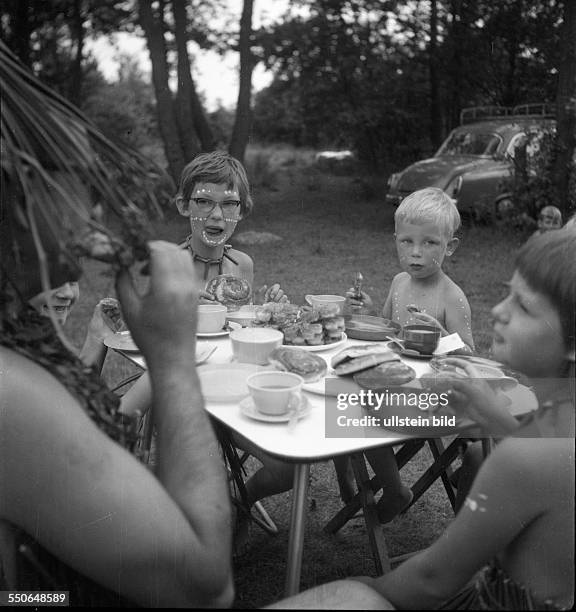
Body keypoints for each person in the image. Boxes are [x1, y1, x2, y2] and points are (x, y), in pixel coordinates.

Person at [269, 228, 575, 610]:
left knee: (350, 592)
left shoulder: (528, 458)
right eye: (507, 293)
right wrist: (501, 423)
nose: (498, 310)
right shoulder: (552, 430)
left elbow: (431, 582)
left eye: (524, 306)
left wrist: (363, 587)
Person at [341, 187, 475, 523]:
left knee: (361, 414)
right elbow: (389, 328)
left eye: (429, 243)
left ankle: (394, 488)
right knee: (344, 396)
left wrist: (442, 335)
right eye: (407, 242)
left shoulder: (451, 296)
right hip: (396, 383)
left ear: (450, 247)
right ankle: (354, 486)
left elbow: (470, 357)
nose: (415, 253)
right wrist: (370, 313)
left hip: (434, 396)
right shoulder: (400, 282)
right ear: (396, 239)